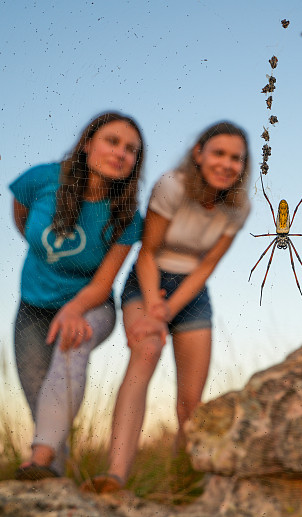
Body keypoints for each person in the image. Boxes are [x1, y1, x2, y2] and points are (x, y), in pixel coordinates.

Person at [85, 121, 251, 493]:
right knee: (146, 350)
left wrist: (170, 309)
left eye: (236, 158)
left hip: (192, 292)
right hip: (148, 279)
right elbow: (147, 253)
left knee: (190, 402)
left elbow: (206, 266)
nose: (226, 164)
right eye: (218, 153)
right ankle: (115, 475)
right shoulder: (172, 185)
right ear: (199, 154)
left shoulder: (239, 208)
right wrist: (154, 308)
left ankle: (184, 484)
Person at [10, 112, 146, 480]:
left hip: (91, 306)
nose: (120, 153)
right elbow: (22, 219)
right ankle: (54, 480)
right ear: (87, 144)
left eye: (131, 149)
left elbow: (104, 284)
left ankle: (37, 462)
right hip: (33, 307)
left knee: (73, 345)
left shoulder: (127, 217)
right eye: (112, 141)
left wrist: (73, 309)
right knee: (41, 400)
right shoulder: (40, 180)